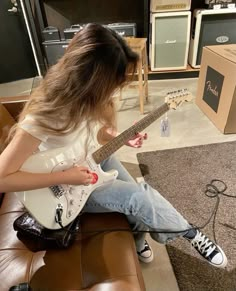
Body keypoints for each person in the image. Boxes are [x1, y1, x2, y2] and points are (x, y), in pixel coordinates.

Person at [0, 23, 227, 268]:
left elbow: (88, 134)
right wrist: (68, 176)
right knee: (138, 197)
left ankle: (139, 242)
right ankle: (190, 234)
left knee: (139, 198)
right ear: (92, 78)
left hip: (85, 160)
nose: (117, 89)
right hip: (62, 190)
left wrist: (120, 137)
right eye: (113, 83)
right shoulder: (44, 116)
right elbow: (3, 177)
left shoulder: (83, 97)